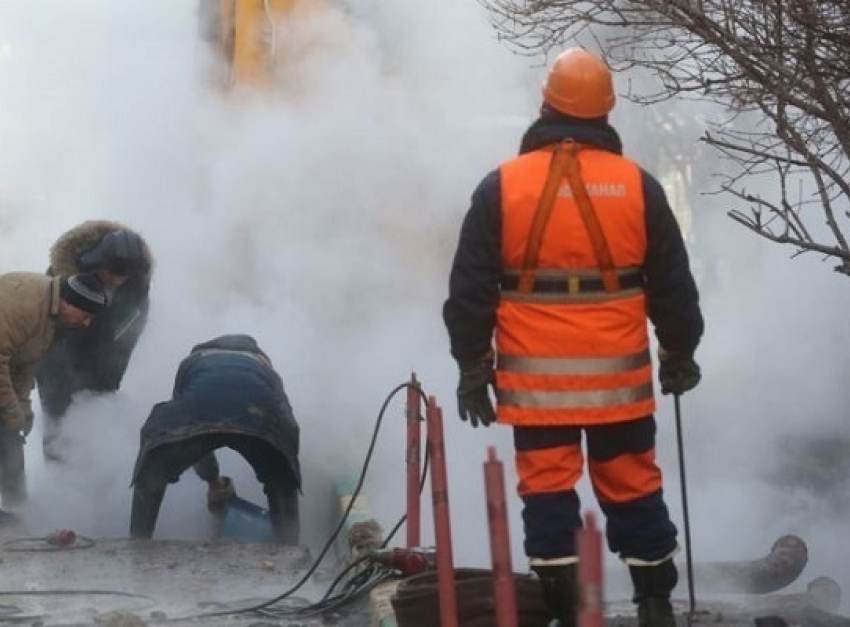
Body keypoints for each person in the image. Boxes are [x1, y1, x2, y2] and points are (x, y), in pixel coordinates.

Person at [442, 48, 704, 627]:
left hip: (538, 392)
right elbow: (673, 286)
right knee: (634, 485)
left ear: (546, 105)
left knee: (548, 492)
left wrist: (472, 366)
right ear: (606, 113)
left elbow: (470, 291)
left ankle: (567, 612)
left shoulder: (501, 188)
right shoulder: (638, 187)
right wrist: (680, 352)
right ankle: (655, 606)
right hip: (620, 387)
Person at [129, 334, 301, 544]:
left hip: (200, 417)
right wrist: (283, 472)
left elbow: (188, 433)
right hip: (259, 418)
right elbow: (287, 428)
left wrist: (213, 480)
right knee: (280, 476)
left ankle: (138, 545)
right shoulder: (265, 369)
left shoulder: (191, 364)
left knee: (155, 464)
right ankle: (289, 550)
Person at [36, 220, 153, 458]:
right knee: (57, 420)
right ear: (98, 261)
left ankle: (94, 472)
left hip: (102, 358)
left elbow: (126, 340)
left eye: (124, 275)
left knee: (97, 417)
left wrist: (110, 383)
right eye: (112, 273)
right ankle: (56, 475)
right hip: (59, 356)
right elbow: (47, 331)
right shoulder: (62, 277)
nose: (116, 280)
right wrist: (56, 376)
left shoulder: (137, 288)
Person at [0, 271, 107, 508]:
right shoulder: (27, 304)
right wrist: (11, 410)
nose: (87, 323)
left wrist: (24, 407)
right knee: (7, 421)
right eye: (86, 315)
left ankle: (16, 507)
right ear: (69, 303)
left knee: (10, 430)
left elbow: (24, 364)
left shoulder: (51, 316)